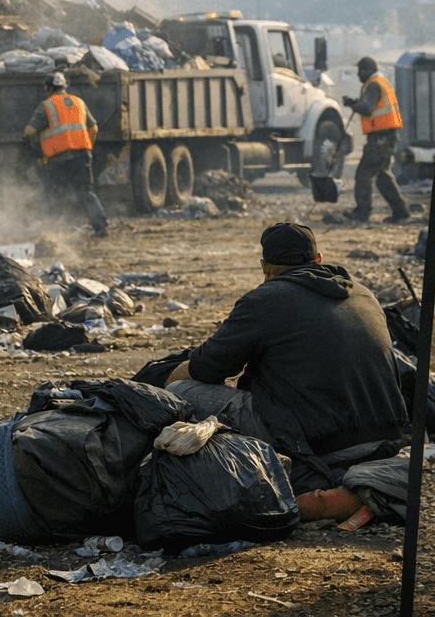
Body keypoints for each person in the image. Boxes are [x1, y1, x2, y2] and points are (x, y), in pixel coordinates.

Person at [164, 222, 410, 528]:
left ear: (265, 267)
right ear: (318, 259)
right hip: (385, 437)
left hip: (323, 445)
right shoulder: (363, 294)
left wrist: (171, 383)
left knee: (186, 391)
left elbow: (207, 369)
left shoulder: (263, 300)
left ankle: (311, 488)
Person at [22, 72, 108, 237]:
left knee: (52, 195)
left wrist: (38, 151)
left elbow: (29, 131)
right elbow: (94, 128)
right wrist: (87, 146)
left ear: (48, 88)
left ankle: (50, 232)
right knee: (86, 192)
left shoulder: (46, 106)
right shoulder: (79, 102)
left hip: (57, 160)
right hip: (82, 156)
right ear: (64, 87)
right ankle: (100, 228)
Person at [338, 56, 411, 223]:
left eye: (360, 71)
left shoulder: (372, 84)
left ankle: (362, 213)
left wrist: (352, 105)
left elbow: (367, 108)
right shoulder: (380, 81)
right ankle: (401, 212)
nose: (358, 75)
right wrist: (355, 103)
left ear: (368, 70)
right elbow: (372, 106)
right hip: (387, 135)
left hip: (381, 137)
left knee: (364, 174)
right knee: (381, 176)